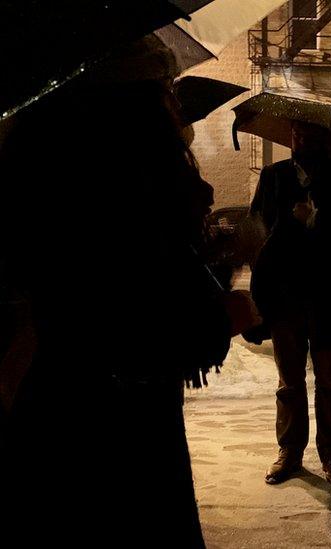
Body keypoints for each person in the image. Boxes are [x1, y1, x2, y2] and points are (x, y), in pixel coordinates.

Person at [0, 35, 240, 546]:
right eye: (164, 89)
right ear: (135, 107)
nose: (174, 102)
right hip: (124, 437)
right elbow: (155, 328)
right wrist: (227, 296)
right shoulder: (135, 189)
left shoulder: (34, 165)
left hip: (48, 419)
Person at [250, 122, 331, 486]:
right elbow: (256, 227)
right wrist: (289, 221)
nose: (300, 140)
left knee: (329, 381)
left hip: (329, 295)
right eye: (295, 133)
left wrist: (320, 219)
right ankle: (290, 451)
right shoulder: (273, 176)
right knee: (289, 381)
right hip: (285, 296)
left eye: (308, 134)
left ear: (323, 139)